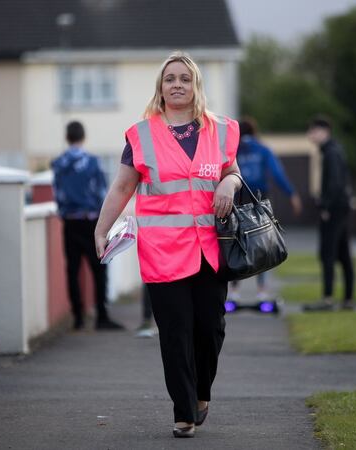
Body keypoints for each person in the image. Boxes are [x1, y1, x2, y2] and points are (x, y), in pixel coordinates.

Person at [94, 51, 242, 438]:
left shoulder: (222, 129)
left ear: (196, 86)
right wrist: (100, 229)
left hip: (211, 248)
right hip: (163, 251)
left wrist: (230, 182)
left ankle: (202, 393)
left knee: (211, 328)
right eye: (170, 78)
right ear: (160, 87)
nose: (177, 84)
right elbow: (123, 186)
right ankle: (184, 412)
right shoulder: (141, 135)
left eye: (185, 78)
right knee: (175, 332)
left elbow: (232, 171)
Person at [51, 121, 124, 331]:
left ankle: (78, 318)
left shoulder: (58, 163)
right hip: (91, 221)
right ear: (83, 137)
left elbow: (57, 192)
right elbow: (102, 191)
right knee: (99, 268)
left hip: (70, 222)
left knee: (72, 271)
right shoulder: (92, 162)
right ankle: (102, 316)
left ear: (67, 137)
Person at [229, 117, 302, 302]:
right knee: (263, 241)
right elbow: (277, 173)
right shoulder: (262, 149)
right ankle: (262, 290)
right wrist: (292, 194)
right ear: (254, 132)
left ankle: (235, 291)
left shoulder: (232, 148)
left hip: (238, 197)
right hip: (260, 199)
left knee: (237, 242)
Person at [303, 116, 355, 311]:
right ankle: (348, 299)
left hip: (334, 210)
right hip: (341, 208)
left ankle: (327, 299)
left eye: (313, 131)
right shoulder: (335, 150)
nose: (310, 135)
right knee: (343, 254)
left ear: (324, 131)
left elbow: (335, 184)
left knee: (327, 253)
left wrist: (325, 206)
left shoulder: (331, 153)